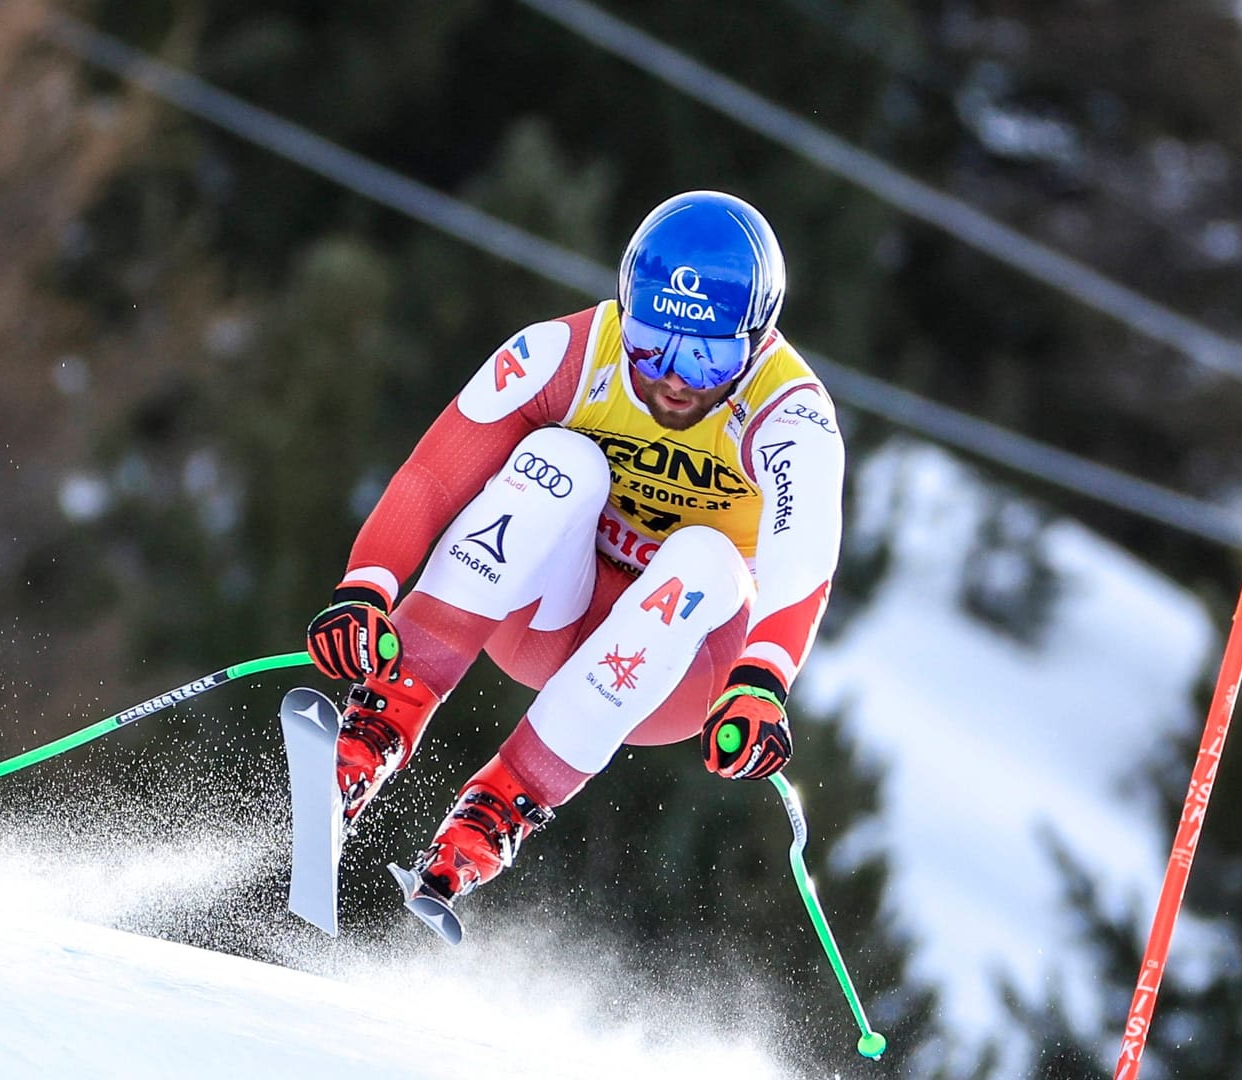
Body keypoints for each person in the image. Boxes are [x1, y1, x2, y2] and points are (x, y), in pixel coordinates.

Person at [304, 189, 845, 928]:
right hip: (544, 616)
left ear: (758, 342)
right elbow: (433, 475)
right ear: (626, 310)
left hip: (673, 670)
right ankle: (374, 731)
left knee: (706, 558)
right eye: (651, 341)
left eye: (707, 354)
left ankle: (496, 813)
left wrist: (762, 680)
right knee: (559, 459)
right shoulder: (566, 353)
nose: (673, 377)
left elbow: (803, 563)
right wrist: (366, 586)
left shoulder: (793, 418)